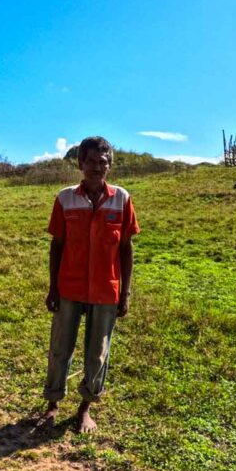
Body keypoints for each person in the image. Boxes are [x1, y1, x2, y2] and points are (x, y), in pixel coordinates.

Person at [41, 136, 139, 433]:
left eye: (103, 162)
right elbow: (57, 245)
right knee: (60, 348)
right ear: (80, 164)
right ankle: (53, 404)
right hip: (69, 286)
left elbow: (126, 248)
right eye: (91, 162)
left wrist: (125, 292)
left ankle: (85, 407)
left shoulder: (122, 199)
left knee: (97, 352)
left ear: (109, 165)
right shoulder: (65, 198)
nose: (97, 167)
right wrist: (53, 288)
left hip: (105, 290)